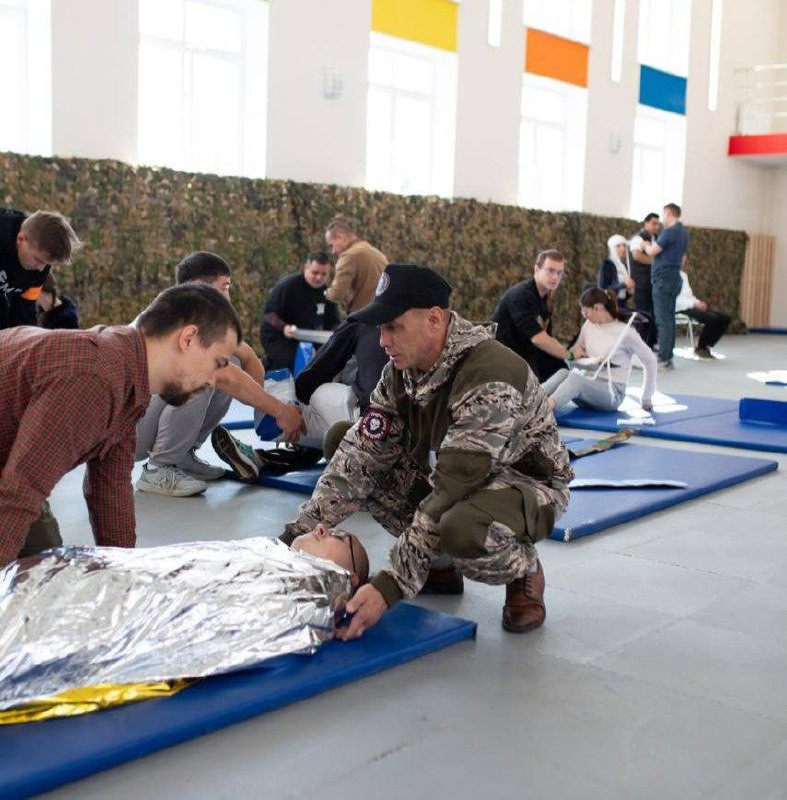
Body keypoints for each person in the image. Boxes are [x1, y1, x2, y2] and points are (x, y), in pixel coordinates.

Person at [280, 262, 573, 639]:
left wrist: (388, 587)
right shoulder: (400, 373)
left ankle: (522, 569)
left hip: (524, 487)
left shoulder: (490, 375)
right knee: (345, 441)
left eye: (393, 327)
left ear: (434, 320)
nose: (382, 341)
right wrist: (289, 541)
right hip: (454, 477)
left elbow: (451, 489)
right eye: (381, 328)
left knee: (461, 528)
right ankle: (439, 566)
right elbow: (361, 454)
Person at [0, 283, 242, 568]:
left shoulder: (129, 379)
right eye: (217, 362)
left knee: (45, 567)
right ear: (188, 339)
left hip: (9, 464)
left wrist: (123, 574)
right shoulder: (95, 378)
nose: (213, 380)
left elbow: (110, 492)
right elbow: (20, 492)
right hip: (12, 478)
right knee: (31, 567)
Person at [0, 528, 370, 714]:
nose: (322, 528)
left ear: (351, 578)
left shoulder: (316, 588)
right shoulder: (267, 550)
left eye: (339, 536)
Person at [136, 252, 304, 497]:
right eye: (224, 287)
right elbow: (226, 376)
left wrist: (267, 417)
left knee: (229, 361)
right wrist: (281, 412)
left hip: (139, 420)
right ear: (199, 286)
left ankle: (181, 456)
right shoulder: (175, 316)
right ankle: (158, 469)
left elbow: (248, 358)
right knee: (206, 375)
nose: (228, 296)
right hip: (125, 433)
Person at [212, 317, 388, 478]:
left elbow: (311, 377)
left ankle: (269, 449)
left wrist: (287, 410)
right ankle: (262, 457)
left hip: (361, 427)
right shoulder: (397, 331)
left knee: (288, 388)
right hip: (392, 441)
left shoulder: (361, 323)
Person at [542, 287, 657, 414]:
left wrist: (646, 397)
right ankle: (529, 400)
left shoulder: (626, 332)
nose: (584, 316)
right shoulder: (588, 325)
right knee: (563, 373)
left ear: (597, 308)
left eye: (586, 312)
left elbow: (650, 361)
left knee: (576, 379)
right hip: (588, 386)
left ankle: (541, 411)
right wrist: (575, 355)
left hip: (612, 393)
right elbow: (575, 353)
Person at [492, 249, 583, 381]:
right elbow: (538, 339)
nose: (555, 277)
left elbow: (546, 337)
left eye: (559, 273)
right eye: (550, 270)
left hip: (527, 355)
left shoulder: (544, 297)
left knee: (563, 372)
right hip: (504, 359)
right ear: (536, 270)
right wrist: (569, 355)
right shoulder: (521, 295)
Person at [0, 208, 81, 330]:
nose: (40, 269)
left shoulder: (39, 270)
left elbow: (24, 312)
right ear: (21, 239)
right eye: (37, 260)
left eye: (46, 264)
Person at [260, 252, 341, 371]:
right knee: (293, 360)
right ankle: (267, 368)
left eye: (323, 274)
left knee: (329, 358)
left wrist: (336, 333)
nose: (319, 278)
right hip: (279, 334)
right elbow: (269, 314)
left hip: (307, 336)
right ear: (306, 268)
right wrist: (284, 327)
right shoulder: (288, 286)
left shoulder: (326, 293)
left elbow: (333, 321)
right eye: (315, 273)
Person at [645, 203, 689, 370]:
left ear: (669, 213)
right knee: (669, 320)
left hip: (662, 279)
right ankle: (668, 357)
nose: (662, 219)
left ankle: (663, 359)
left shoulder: (669, 232)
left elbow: (652, 251)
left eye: (664, 215)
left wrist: (643, 245)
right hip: (674, 277)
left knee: (663, 321)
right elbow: (683, 259)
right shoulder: (684, 233)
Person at [324, 217, 387, 313]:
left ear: (340, 237)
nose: (333, 251)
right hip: (384, 312)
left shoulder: (349, 256)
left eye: (331, 245)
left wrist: (325, 293)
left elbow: (337, 294)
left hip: (365, 314)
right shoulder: (375, 252)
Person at [675, 269, 730, 359]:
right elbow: (675, 300)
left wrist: (698, 302)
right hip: (680, 308)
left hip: (690, 305)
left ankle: (706, 346)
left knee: (724, 319)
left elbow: (689, 295)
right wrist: (694, 304)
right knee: (713, 319)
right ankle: (701, 347)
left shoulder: (683, 275)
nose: (683, 261)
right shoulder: (667, 274)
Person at [629, 212, 661, 321]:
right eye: (654, 223)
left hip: (654, 283)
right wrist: (657, 262)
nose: (657, 226)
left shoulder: (657, 239)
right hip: (642, 283)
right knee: (643, 314)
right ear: (646, 223)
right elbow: (637, 256)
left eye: (658, 224)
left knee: (654, 314)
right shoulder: (638, 238)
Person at [597, 234, 634, 309]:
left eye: (624, 245)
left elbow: (622, 294)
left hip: (622, 305)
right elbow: (602, 289)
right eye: (618, 246)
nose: (623, 249)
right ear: (612, 248)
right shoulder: (607, 265)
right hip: (611, 306)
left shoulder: (623, 266)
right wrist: (623, 285)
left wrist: (629, 292)